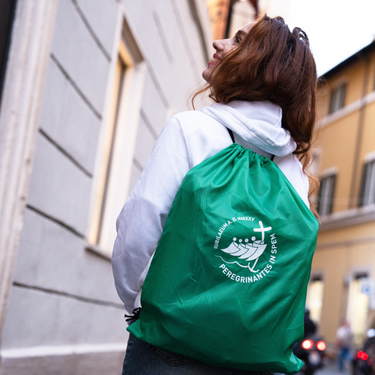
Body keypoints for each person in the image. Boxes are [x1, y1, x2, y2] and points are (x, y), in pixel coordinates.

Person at [112, 14, 318, 375]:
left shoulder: (192, 130)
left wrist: (138, 301)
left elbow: (140, 226)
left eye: (238, 41)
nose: (219, 44)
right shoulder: (294, 173)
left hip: (168, 344)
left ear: (261, 65)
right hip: (250, 358)